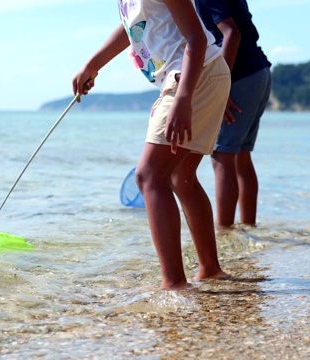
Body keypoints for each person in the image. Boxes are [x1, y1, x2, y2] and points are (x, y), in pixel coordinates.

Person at [73, 0, 231, 290]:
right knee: (179, 177)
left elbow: (196, 37)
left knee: (148, 176)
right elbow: (131, 27)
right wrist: (92, 65)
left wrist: (182, 100)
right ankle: (210, 269)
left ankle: (173, 284)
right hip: (195, 75)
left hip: (194, 75)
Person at [194, 0, 272, 229]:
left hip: (240, 77)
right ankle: (248, 227)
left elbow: (231, 34)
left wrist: (221, 85)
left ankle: (225, 232)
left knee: (221, 155)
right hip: (258, 72)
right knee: (240, 156)